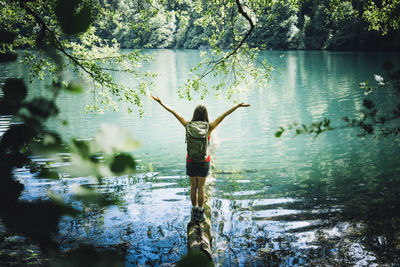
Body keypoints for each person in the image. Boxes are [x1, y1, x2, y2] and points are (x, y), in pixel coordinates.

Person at [152, 95, 250, 222]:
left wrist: (161, 102)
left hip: (191, 160)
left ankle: (194, 210)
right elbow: (224, 115)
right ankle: (201, 211)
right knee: (202, 187)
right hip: (204, 161)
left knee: (193, 186)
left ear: (195, 114)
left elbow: (174, 113)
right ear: (206, 115)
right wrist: (237, 106)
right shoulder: (210, 126)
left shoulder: (187, 124)